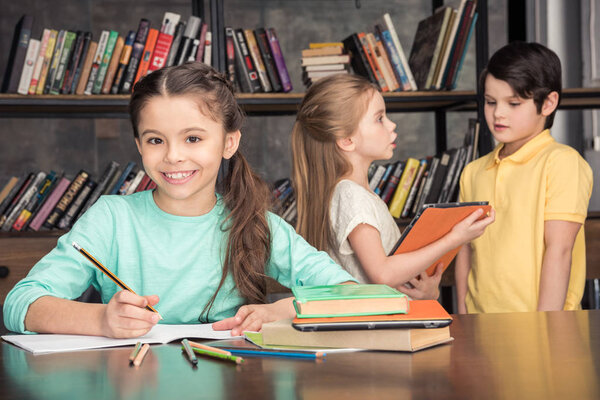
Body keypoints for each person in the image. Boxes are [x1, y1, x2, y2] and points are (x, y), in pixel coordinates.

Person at [3, 63, 356, 337]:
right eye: (156, 140)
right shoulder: (111, 219)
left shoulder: (256, 223)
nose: (173, 156)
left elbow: (352, 295)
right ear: (139, 145)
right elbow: (19, 304)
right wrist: (101, 319)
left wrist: (285, 309)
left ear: (229, 143)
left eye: (192, 138)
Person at [291, 74, 494, 299]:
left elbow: (393, 280)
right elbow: (383, 274)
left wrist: (427, 292)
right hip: (374, 333)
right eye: (379, 118)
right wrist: (454, 239)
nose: (392, 124)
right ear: (347, 140)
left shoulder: (359, 195)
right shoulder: (351, 196)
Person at [456, 41, 593, 313]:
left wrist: (545, 330)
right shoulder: (473, 172)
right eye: (491, 102)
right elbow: (465, 252)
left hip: (543, 331)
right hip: (480, 330)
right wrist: (463, 318)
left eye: (514, 103)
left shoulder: (562, 163)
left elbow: (560, 251)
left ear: (548, 103)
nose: (498, 114)